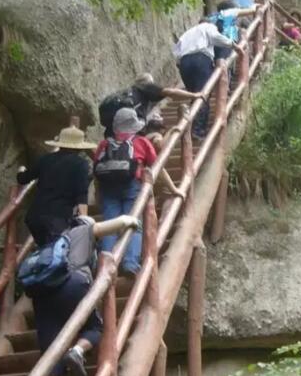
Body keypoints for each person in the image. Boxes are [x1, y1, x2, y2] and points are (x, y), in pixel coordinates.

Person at [28, 213, 140, 376]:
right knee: (96, 327)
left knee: (50, 349)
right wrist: (132, 220)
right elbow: (119, 223)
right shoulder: (83, 230)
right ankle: (78, 350)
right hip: (72, 284)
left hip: (42, 296)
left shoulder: (51, 242)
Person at [94, 107, 181, 276]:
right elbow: (158, 169)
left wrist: (98, 194)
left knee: (109, 226)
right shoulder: (141, 142)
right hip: (132, 186)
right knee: (134, 224)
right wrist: (174, 189)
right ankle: (130, 263)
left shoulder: (105, 144)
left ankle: (104, 267)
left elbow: (96, 170)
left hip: (108, 188)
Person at [17, 123, 96, 246]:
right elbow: (81, 193)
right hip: (58, 218)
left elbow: (23, 179)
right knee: (55, 255)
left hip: (34, 216)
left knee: (47, 252)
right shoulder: (80, 164)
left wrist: (21, 170)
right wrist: (84, 218)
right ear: (80, 147)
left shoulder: (46, 159)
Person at [173, 19, 241, 140]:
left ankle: (191, 126)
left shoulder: (187, 33)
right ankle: (198, 130)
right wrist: (233, 45)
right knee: (202, 95)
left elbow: (176, 52)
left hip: (184, 63)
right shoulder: (208, 27)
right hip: (200, 59)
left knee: (195, 95)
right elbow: (216, 37)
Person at [99, 72, 201, 139]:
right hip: (130, 129)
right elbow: (169, 92)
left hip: (112, 132)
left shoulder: (127, 92)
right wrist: (194, 95)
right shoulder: (145, 87)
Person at [208, 0, 257, 64]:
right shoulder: (228, 15)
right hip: (222, 47)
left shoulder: (212, 17)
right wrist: (255, 5)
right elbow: (252, 10)